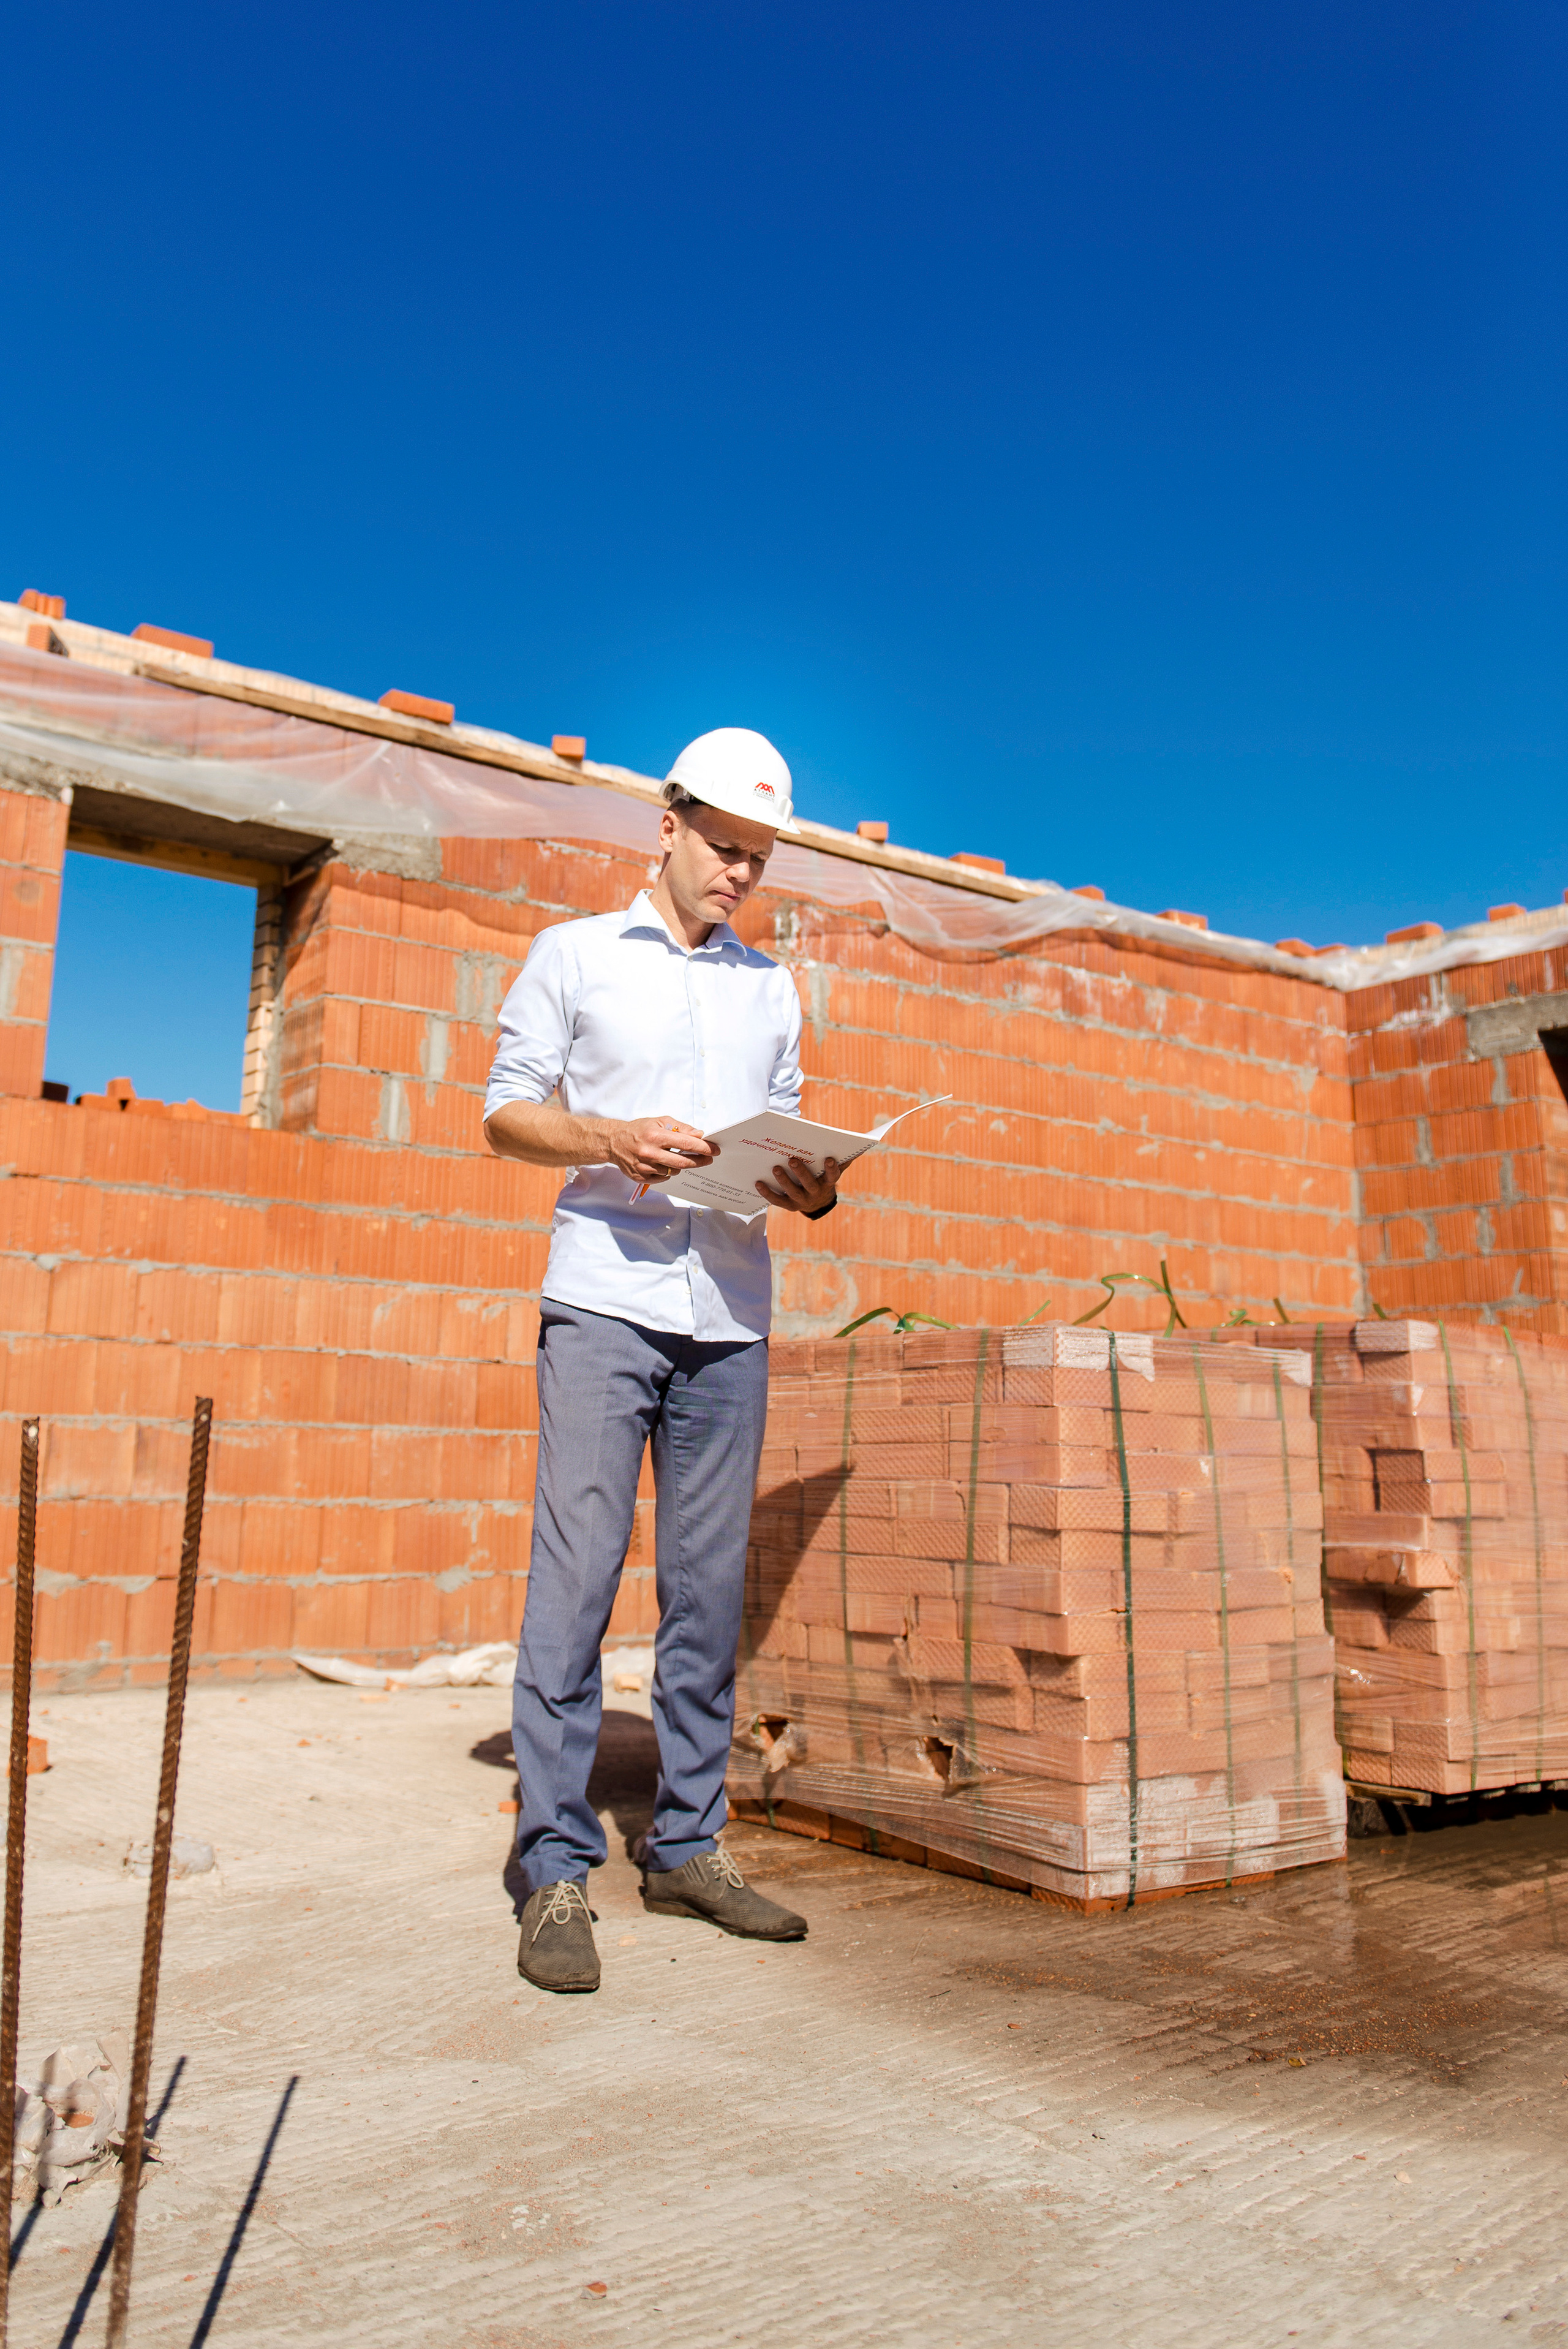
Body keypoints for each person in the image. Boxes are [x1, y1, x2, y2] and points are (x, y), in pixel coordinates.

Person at [483, 728, 839, 1993]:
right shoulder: (573, 957)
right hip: (602, 1305)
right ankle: (554, 1866)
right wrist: (606, 1137)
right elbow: (505, 1110)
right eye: (725, 849)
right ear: (669, 825)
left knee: (703, 1596)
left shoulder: (768, 989)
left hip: (728, 1317)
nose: (740, 875)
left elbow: (786, 1131)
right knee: (573, 1586)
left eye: (759, 858)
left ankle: (688, 1846)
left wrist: (809, 1186)